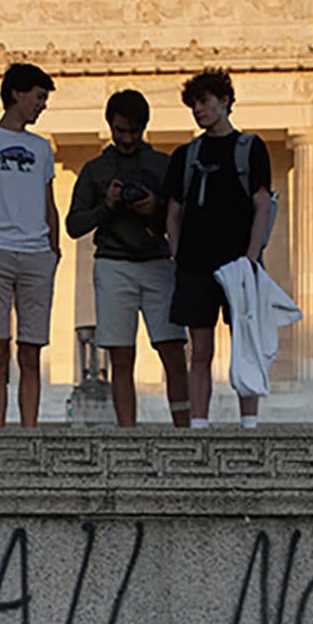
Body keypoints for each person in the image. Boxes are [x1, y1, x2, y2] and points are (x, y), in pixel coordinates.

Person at [66, 89, 189, 428]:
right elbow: (73, 225)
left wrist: (156, 207)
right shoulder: (95, 169)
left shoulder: (163, 165)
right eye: (120, 131)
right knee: (121, 356)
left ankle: (186, 431)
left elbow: (185, 216)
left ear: (144, 128)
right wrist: (106, 205)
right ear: (110, 126)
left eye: (133, 131)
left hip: (157, 262)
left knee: (173, 351)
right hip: (113, 262)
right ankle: (127, 436)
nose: (126, 138)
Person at [164, 68, 274, 429]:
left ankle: (249, 422)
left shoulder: (251, 148)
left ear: (225, 102)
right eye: (194, 104)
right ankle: (199, 422)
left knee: (246, 341)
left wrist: (252, 257)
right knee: (199, 349)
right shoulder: (185, 154)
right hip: (196, 262)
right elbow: (174, 211)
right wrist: (177, 253)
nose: (199, 110)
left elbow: (262, 204)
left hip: (239, 260)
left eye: (205, 102)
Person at [0, 62, 59, 427]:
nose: (42, 105)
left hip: (36, 254)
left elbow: (49, 202)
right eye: (39, 97)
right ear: (16, 93)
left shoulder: (42, 147)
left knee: (31, 351)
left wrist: (53, 249)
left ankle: (29, 429)